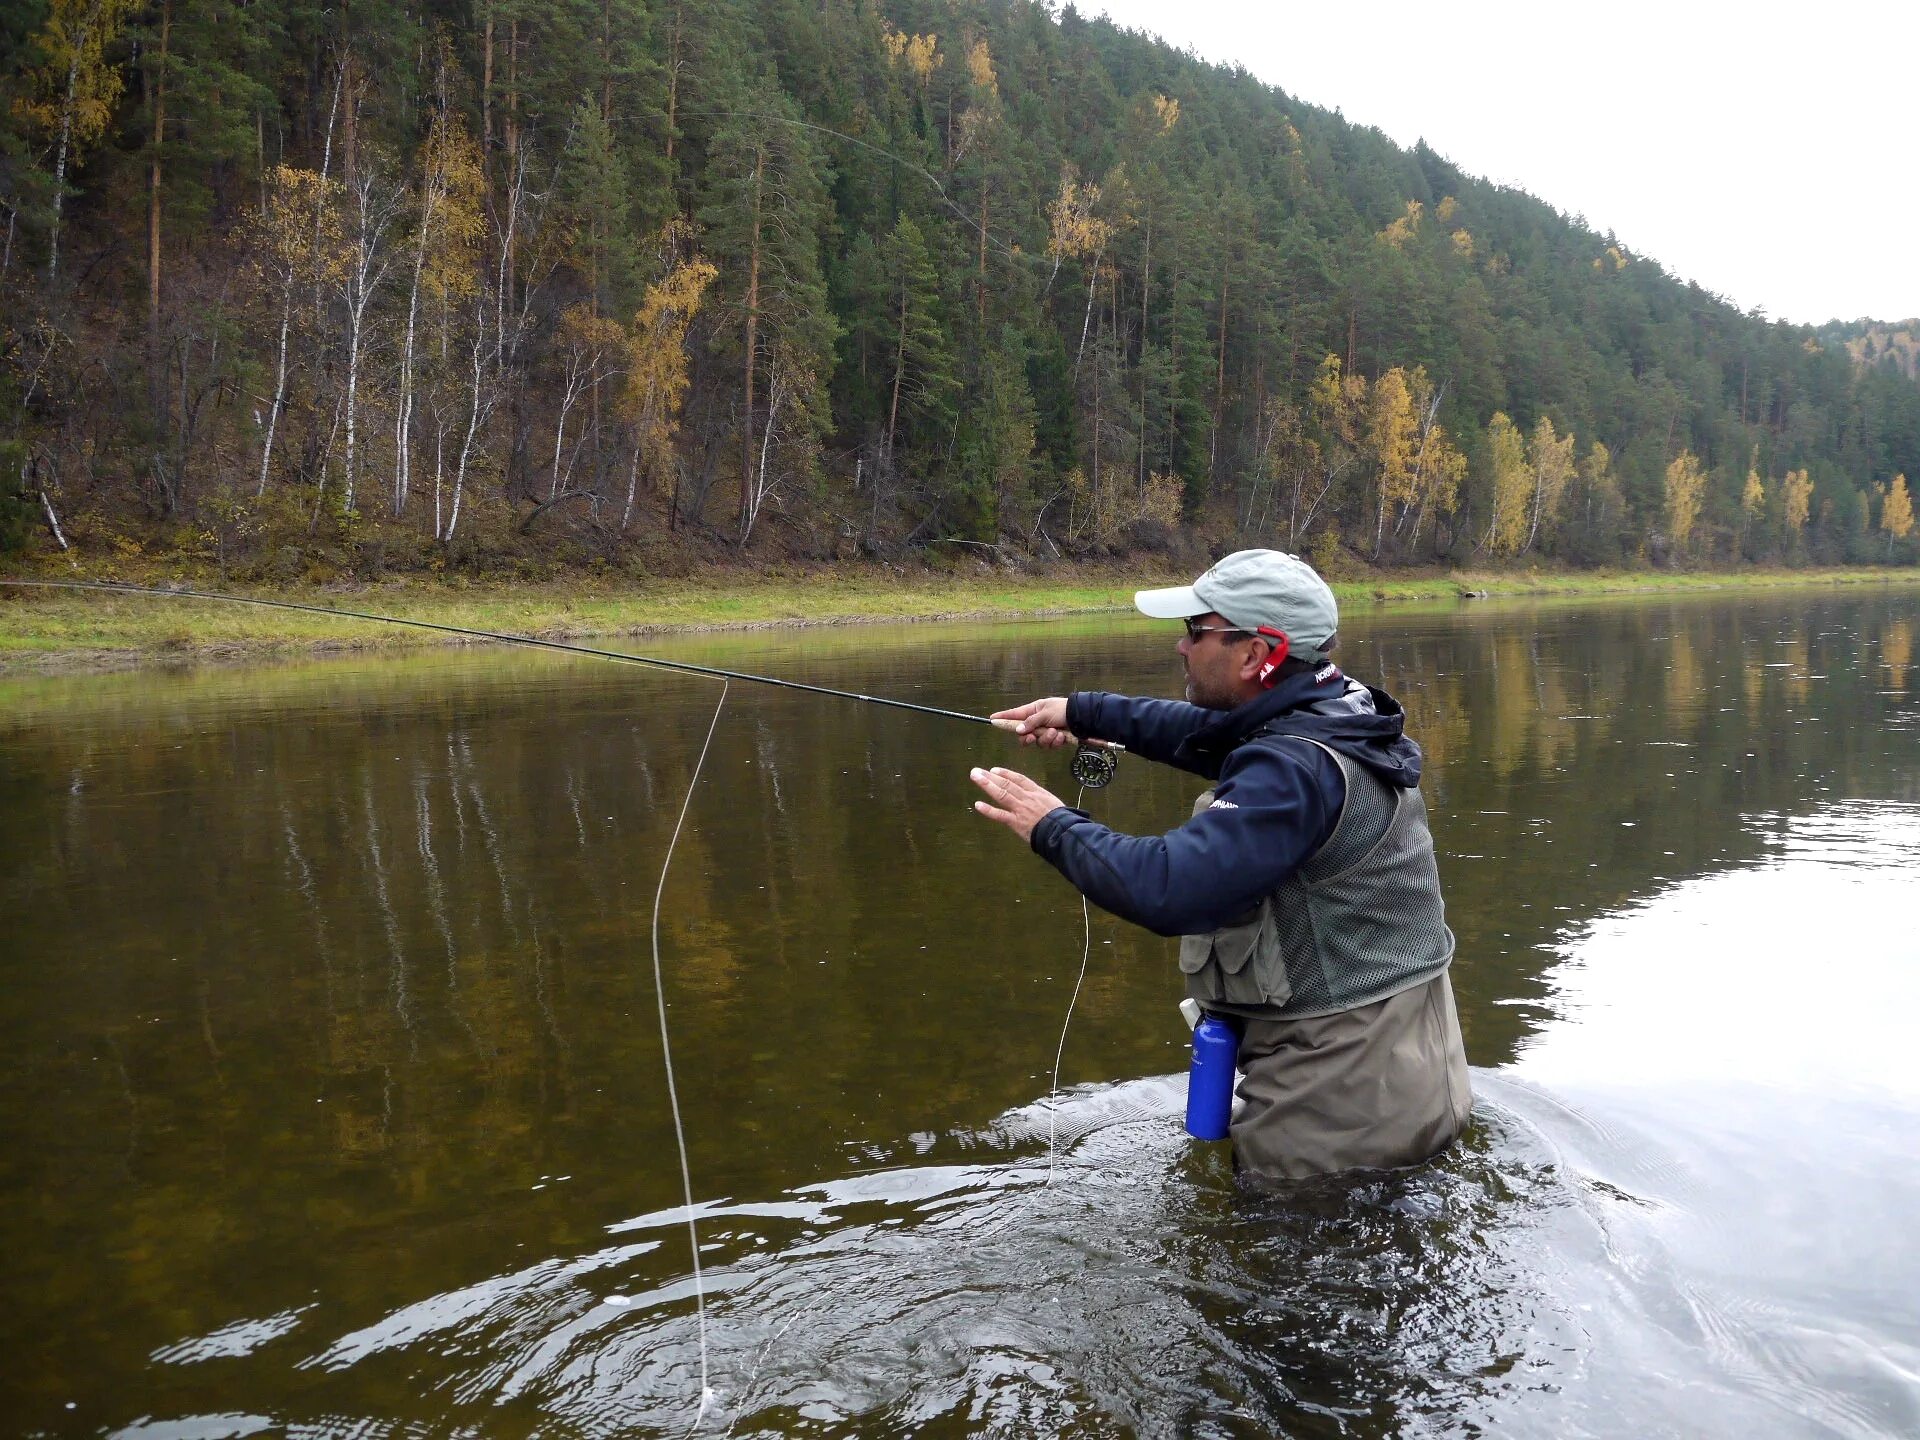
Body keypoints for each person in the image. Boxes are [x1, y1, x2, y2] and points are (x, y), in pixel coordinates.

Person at [969, 548, 1471, 1181]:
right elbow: (1207, 731)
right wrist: (1081, 712)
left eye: (1195, 631)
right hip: (1413, 1068)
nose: (1182, 648)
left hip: (1345, 1106)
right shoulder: (1340, 711)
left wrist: (1052, 825)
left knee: (1285, 1273)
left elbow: (1171, 887)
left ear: (1257, 654)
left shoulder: (1294, 768)